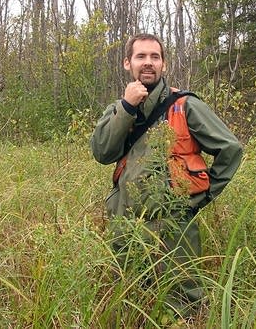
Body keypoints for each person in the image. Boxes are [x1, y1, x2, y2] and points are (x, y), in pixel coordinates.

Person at [91, 33, 243, 321]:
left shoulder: (184, 105)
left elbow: (230, 149)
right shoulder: (117, 108)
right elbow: (102, 152)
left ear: (164, 64)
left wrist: (201, 196)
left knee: (183, 303)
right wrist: (126, 108)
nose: (148, 63)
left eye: (154, 57)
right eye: (141, 56)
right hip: (126, 226)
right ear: (127, 63)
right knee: (132, 301)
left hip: (174, 228)